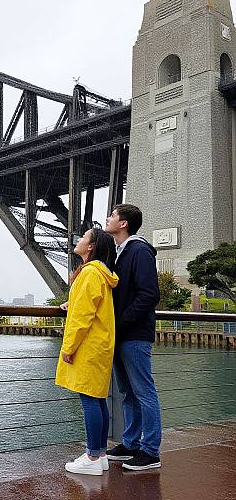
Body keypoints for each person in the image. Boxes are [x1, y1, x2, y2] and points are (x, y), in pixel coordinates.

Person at [55, 227, 118, 476]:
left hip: (89, 345)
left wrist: (69, 347)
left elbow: (82, 316)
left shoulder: (89, 273)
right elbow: (91, 304)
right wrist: (73, 300)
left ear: (91, 247)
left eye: (83, 238)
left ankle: (92, 457)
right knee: (97, 399)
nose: (78, 240)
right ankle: (100, 454)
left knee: (89, 400)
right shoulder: (101, 274)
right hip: (100, 343)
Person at [104, 204, 162, 470]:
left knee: (144, 392)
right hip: (122, 334)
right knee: (128, 393)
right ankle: (131, 443)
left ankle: (150, 451)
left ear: (124, 223)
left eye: (113, 215)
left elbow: (149, 295)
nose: (108, 219)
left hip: (134, 335)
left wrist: (121, 323)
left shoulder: (139, 251)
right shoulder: (120, 253)